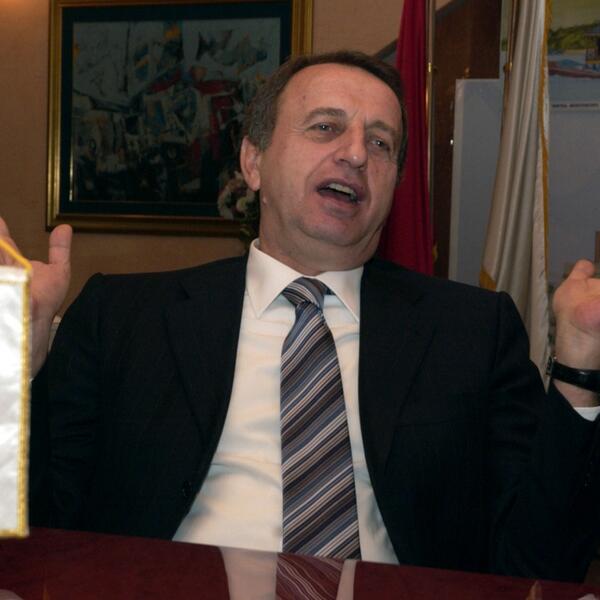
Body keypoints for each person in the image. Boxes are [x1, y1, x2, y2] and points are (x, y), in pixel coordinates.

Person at [2, 50, 600, 582]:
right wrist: (11, 365)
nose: (355, 153)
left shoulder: (472, 331)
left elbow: (539, 565)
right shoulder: (122, 317)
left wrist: (579, 367)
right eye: (326, 127)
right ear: (253, 162)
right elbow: (26, 533)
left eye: (381, 143)